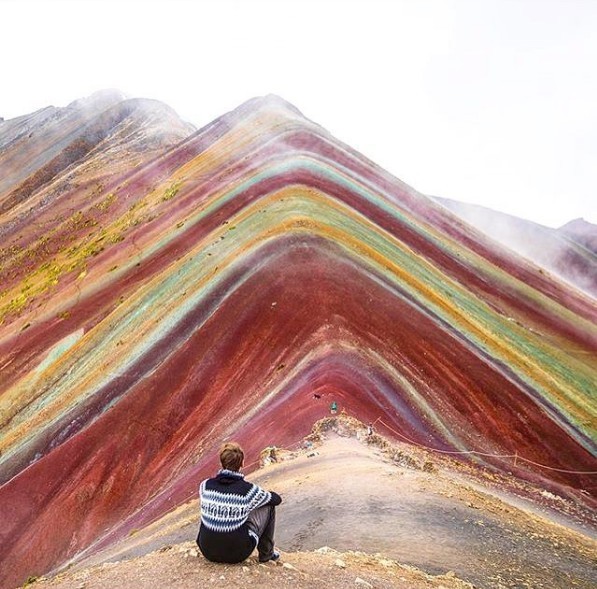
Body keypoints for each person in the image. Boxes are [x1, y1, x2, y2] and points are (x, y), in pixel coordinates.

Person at [197, 441, 282, 564]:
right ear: (242, 463)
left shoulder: (205, 485)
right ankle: (266, 554)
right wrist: (264, 495)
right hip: (236, 554)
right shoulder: (248, 491)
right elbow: (276, 499)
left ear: (221, 463)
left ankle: (213, 539)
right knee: (268, 507)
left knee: (211, 507)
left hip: (207, 551)